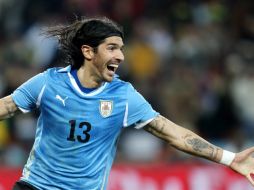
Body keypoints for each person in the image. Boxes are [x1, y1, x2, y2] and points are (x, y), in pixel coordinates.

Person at [0, 16, 254, 190]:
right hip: (35, 186)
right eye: (112, 48)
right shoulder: (49, 82)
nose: (120, 56)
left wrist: (228, 158)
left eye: (121, 49)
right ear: (88, 52)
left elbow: (172, 133)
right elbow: (6, 107)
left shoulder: (123, 95)